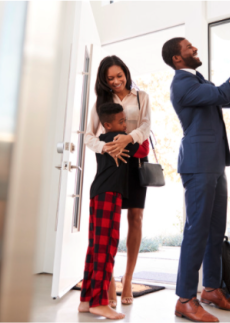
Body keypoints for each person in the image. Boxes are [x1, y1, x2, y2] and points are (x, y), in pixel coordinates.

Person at [162, 37, 230, 322]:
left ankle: (211, 288)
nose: (195, 49)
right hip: (198, 165)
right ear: (177, 59)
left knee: (215, 231)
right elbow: (221, 95)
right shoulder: (182, 84)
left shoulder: (199, 82)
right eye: (189, 47)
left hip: (214, 164)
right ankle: (185, 299)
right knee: (197, 231)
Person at [85, 56, 151, 306]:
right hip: (111, 165)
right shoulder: (101, 102)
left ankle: (128, 281)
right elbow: (88, 136)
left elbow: (146, 126)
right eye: (109, 78)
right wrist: (106, 148)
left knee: (136, 218)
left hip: (135, 163)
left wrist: (128, 137)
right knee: (108, 225)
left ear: (126, 72)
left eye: (118, 76)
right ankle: (109, 285)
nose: (115, 81)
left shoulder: (141, 96)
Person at [78, 103, 149, 320]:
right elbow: (144, 148)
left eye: (125, 121)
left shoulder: (103, 140)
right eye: (121, 122)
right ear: (107, 125)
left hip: (99, 192)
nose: (125, 126)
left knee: (95, 247)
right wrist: (131, 134)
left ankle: (86, 300)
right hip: (109, 194)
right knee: (106, 246)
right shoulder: (119, 138)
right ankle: (99, 303)